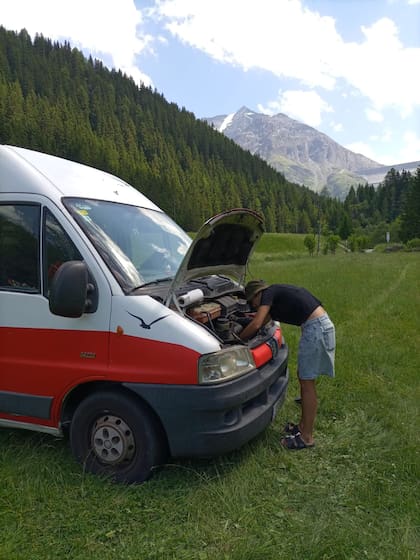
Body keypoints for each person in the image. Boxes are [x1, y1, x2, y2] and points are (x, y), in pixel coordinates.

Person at [240, 280, 336, 450]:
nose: (253, 306)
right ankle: (302, 428)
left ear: (257, 294)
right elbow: (263, 321)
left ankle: (306, 437)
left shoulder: (268, 293)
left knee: (307, 382)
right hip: (318, 326)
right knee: (305, 378)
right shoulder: (275, 294)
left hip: (316, 329)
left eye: (252, 302)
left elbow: (256, 323)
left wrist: (238, 340)